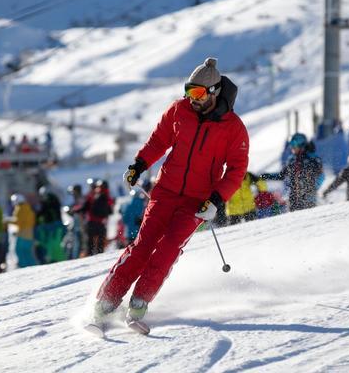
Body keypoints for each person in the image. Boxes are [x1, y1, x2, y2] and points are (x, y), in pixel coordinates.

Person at [92, 57, 248, 327]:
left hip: (198, 202)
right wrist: (138, 165)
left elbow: (236, 169)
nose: (192, 99)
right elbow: (159, 141)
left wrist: (216, 200)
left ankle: (139, 303)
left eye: (198, 93)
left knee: (167, 249)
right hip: (165, 191)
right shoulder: (179, 111)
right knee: (142, 246)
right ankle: (106, 301)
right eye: (189, 91)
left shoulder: (233, 128)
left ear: (214, 92)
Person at [264, 133, 323, 211]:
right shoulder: (292, 160)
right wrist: (265, 176)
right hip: (294, 200)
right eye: (291, 145)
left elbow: (321, 176)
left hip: (309, 200)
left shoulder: (312, 159)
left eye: (294, 144)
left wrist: (312, 190)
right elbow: (282, 175)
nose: (292, 147)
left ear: (302, 145)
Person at [79, 180, 114, 256]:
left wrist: (77, 210)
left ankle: (90, 256)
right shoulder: (108, 197)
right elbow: (111, 211)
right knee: (100, 245)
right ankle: (99, 257)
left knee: (90, 243)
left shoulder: (92, 196)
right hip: (101, 223)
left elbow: (85, 208)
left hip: (92, 222)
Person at [7, 193, 37, 268]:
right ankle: (33, 266)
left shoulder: (19, 208)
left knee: (19, 251)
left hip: (22, 234)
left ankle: (24, 266)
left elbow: (18, 221)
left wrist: (6, 221)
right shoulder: (28, 207)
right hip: (29, 233)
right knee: (28, 252)